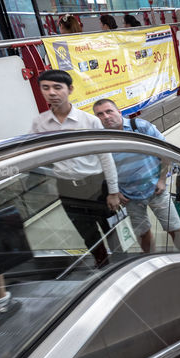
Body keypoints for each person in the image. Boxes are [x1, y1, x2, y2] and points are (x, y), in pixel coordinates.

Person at [30, 70, 121, 267]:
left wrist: (113, 191)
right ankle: (103, 266)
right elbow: (26, 148)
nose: (51, 92)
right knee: (87, 234)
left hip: (97, 185)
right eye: (45, 88)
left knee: (111, 228)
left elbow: (106, 157)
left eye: (57, 87)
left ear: (70, 89)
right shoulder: (40, 123)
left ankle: (121, 263)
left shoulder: (89, 121)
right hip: (66, 187)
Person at [92, 99, 180, 253]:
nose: (105, 116)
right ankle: (152, 262)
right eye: (100, 114)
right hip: (129, 196)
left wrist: (162, 180)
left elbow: (166, 152)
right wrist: (115, 191)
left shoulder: (139, 127)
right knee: (143, 234)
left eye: (109, 111)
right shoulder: (101, 140)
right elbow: (103, 169)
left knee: (175, 229)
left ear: (119, 112)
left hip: (156, 189)